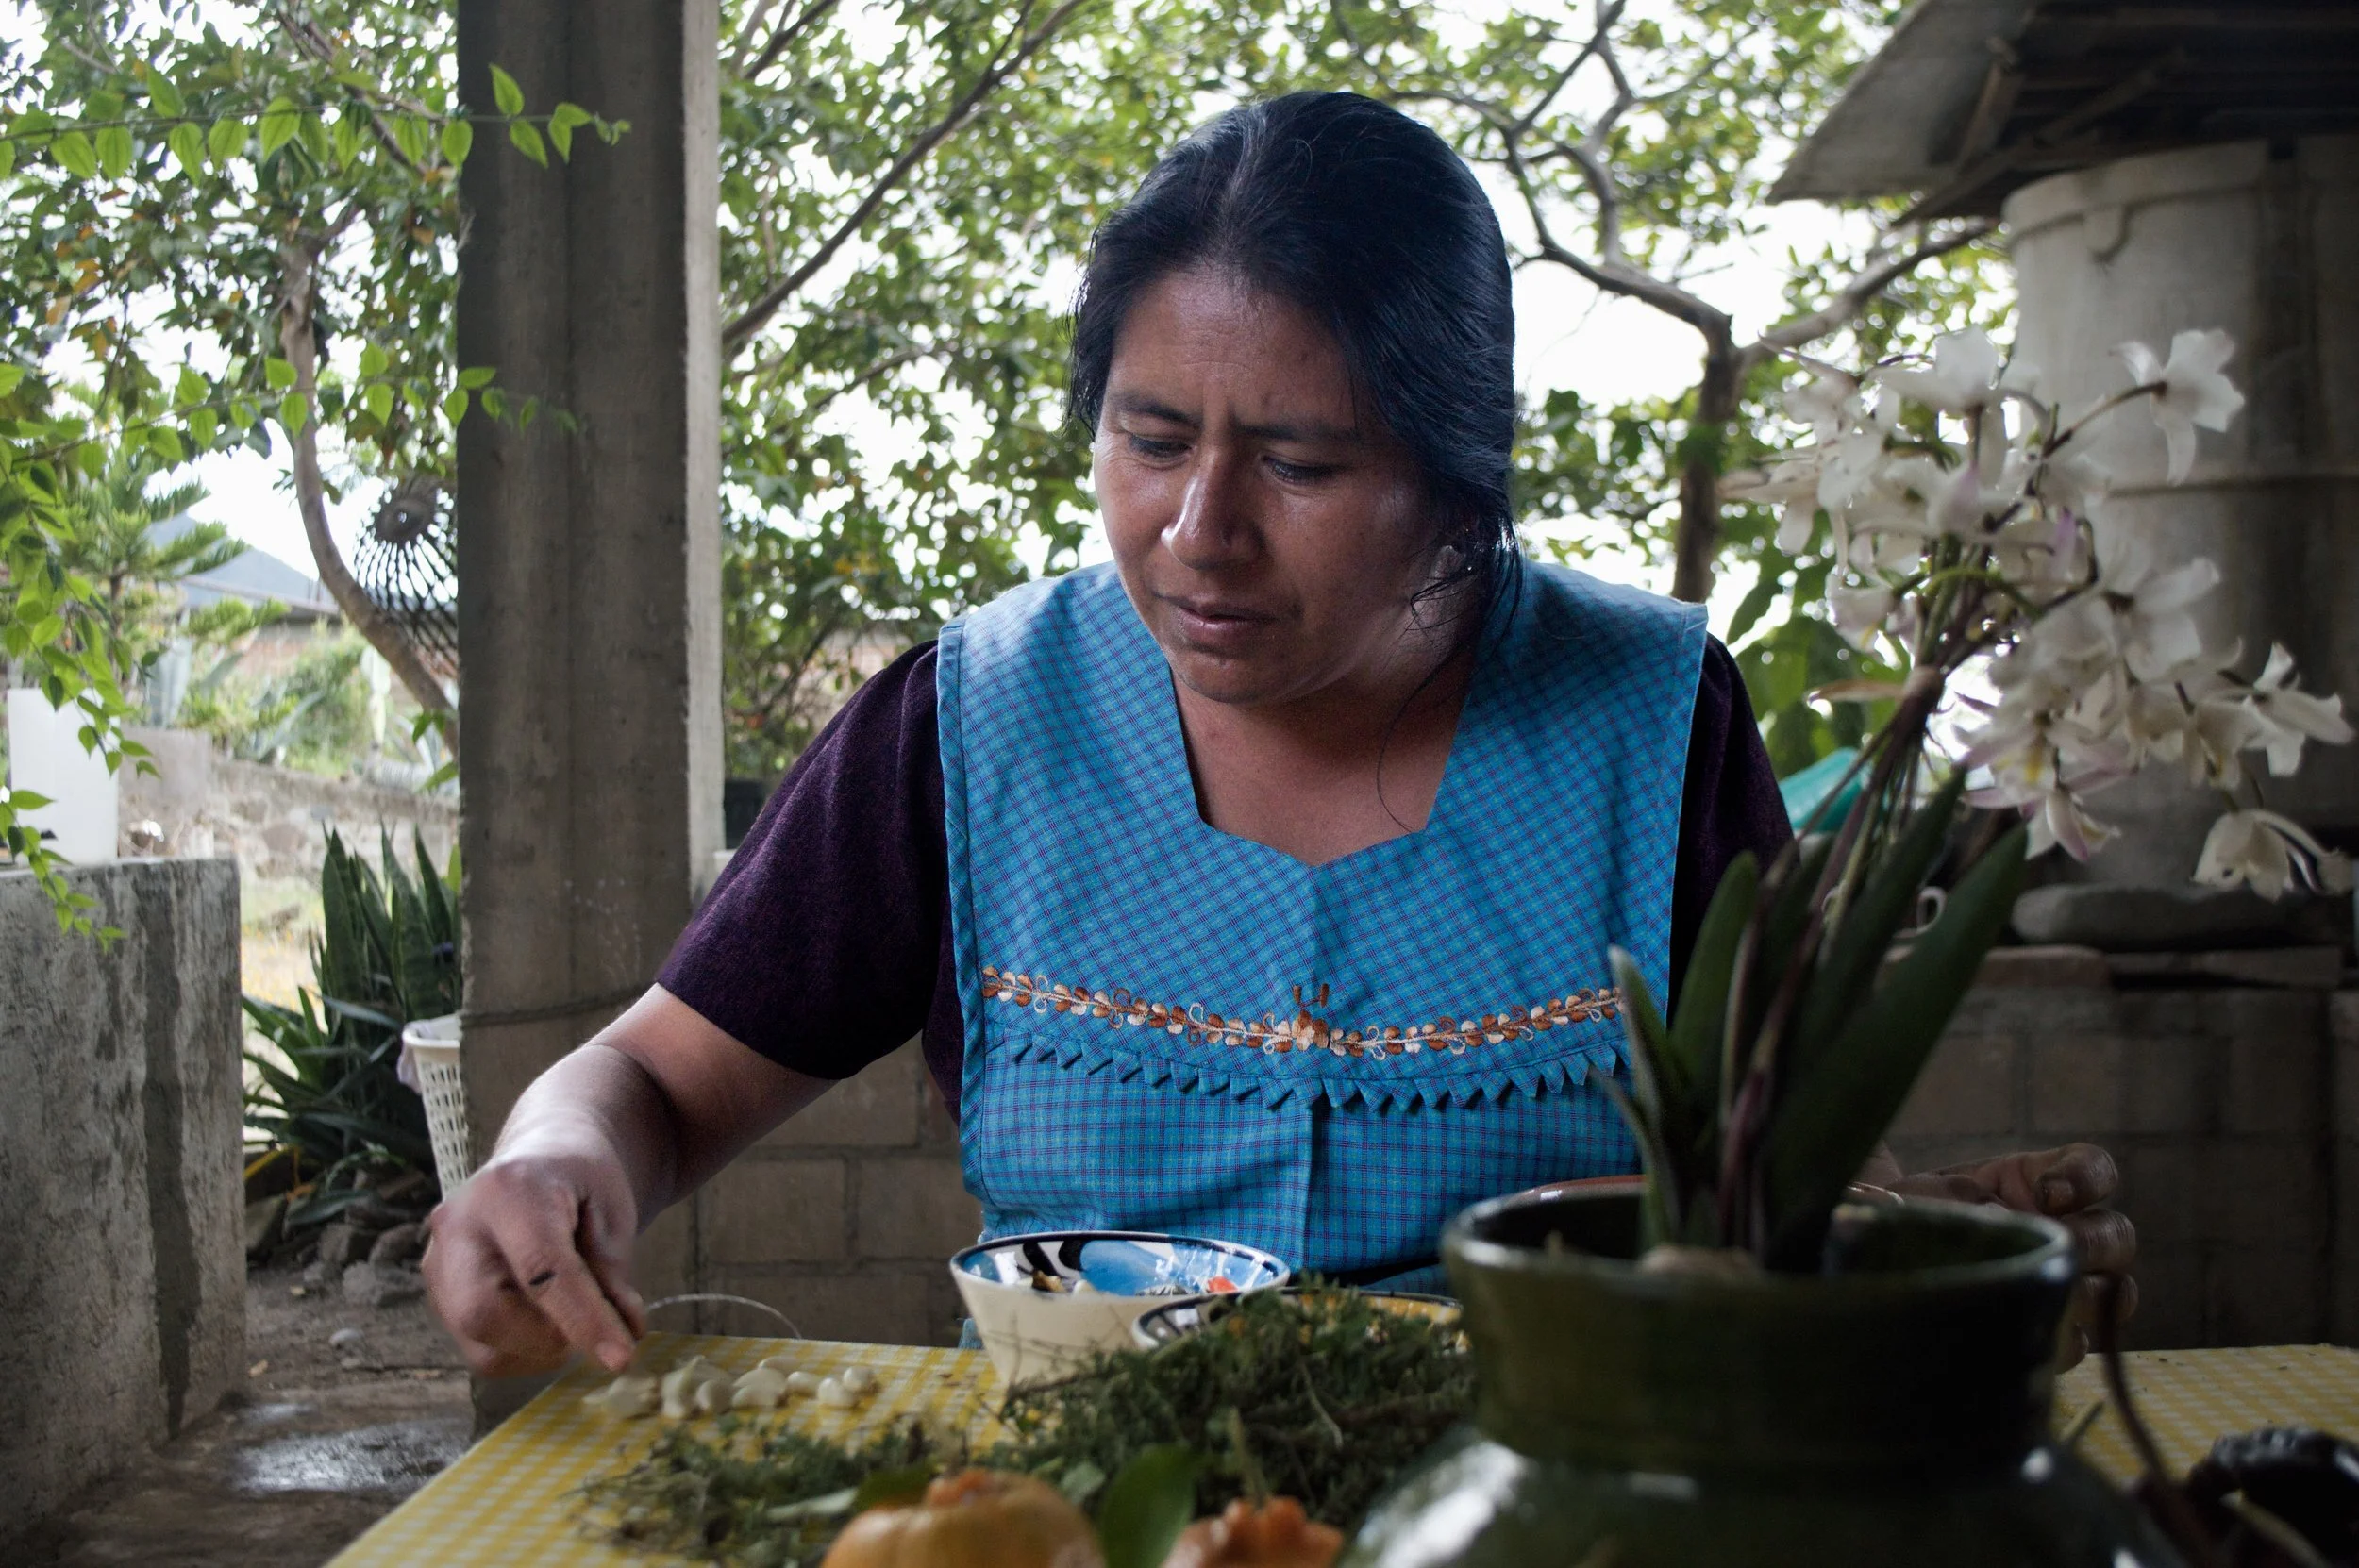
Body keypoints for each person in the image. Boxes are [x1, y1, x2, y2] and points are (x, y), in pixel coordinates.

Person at [424, 92, 2134, 1379]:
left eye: (1300, 464)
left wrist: (1906, 1231)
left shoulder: (1650, 718)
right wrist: (551, 1161)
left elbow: (1771, 1174)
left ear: (1457, 473)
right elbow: (652, 1080)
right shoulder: (971, 721)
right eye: (1150, 439)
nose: (1199, 532)